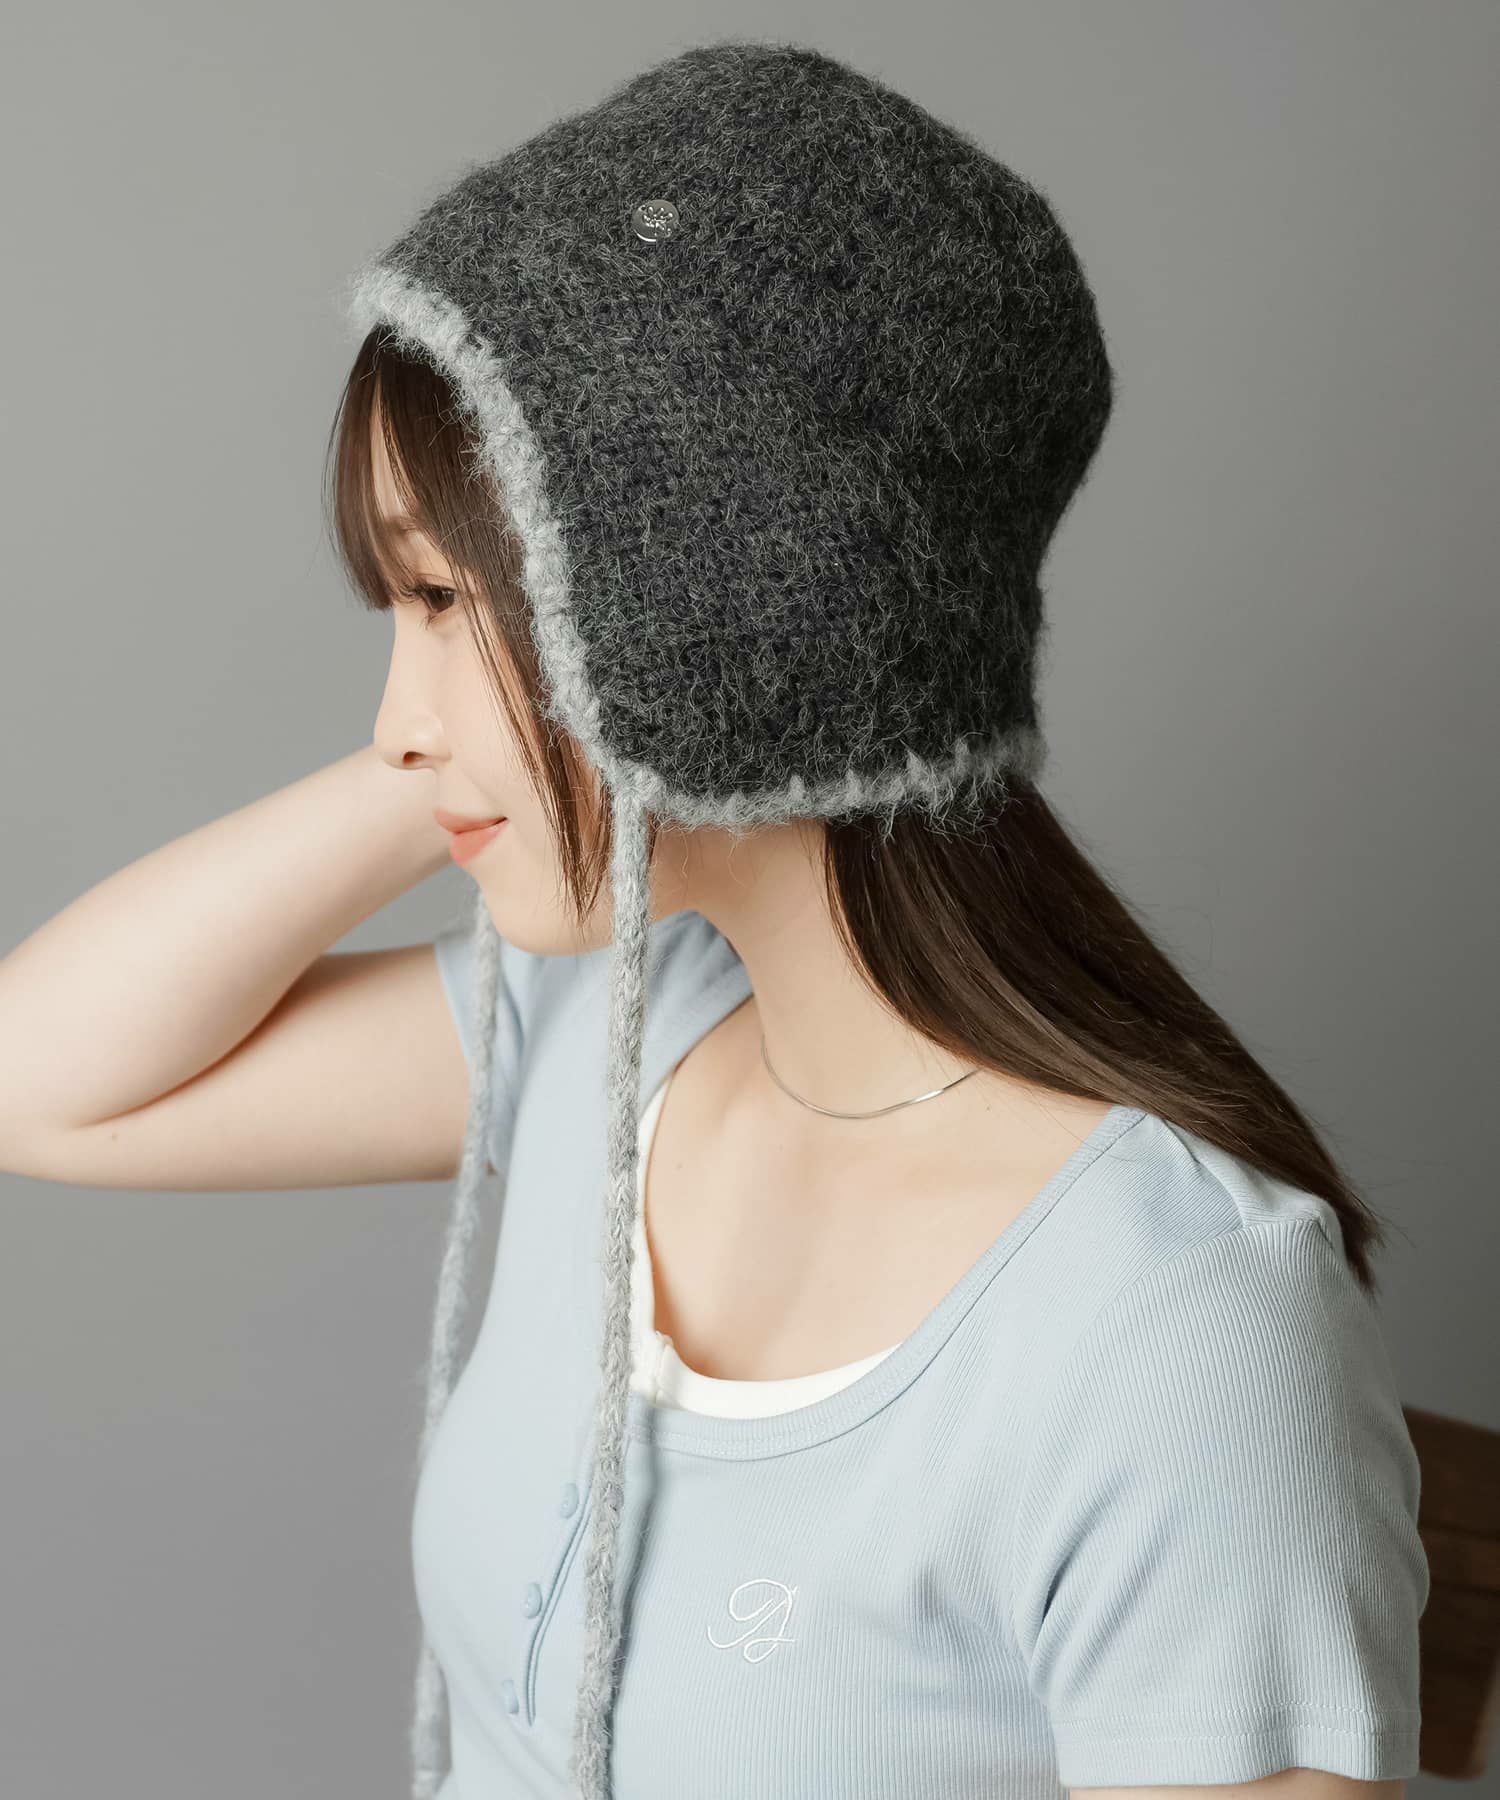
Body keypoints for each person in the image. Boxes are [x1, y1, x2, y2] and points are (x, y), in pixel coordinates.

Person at [0, 38, 1427, 1800]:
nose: (391, 718)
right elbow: (44, 1085)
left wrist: (582, 708)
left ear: (703, 600)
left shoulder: (1176, 1327)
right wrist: (488, 741)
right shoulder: (626, 1020)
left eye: (442, 595)